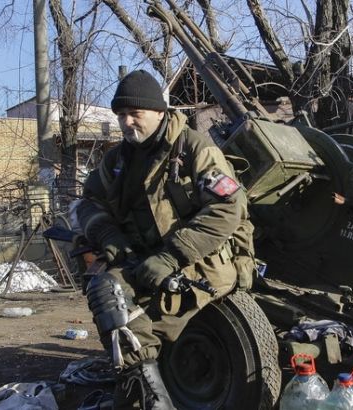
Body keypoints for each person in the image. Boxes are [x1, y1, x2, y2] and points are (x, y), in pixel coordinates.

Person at [73, 70, 255, 409]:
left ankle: (147, 398)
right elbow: (87, 203)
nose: (127, 122)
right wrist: (107, 235)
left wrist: (172, 256)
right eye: (121, 115)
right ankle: (143, 387)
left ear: (159, 112)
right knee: (106, 294)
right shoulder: (117, 160)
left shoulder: (194, 149)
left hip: (203, 258)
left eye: (135, 114)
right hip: (145, 256)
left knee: (135, 327)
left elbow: (229, 207)